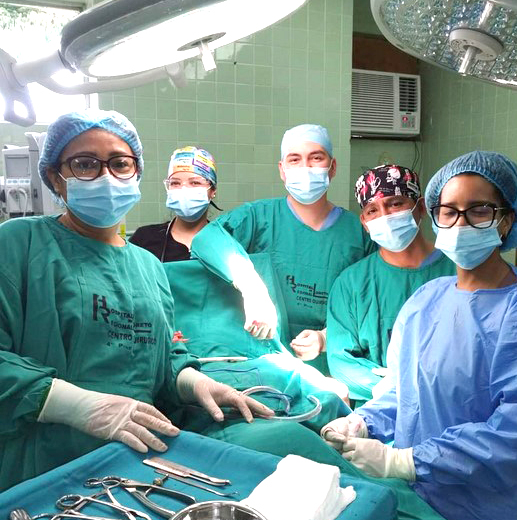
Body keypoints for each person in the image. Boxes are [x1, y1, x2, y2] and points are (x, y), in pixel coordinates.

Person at [321, 150, 517, 520]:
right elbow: (403, 391)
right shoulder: (426, 301)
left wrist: (405, 460)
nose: (460, 222)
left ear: (507, 220)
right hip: (422, 509)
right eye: (449, 210)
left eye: (479, 210)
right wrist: (363, 423)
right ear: (434, 216)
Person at [0, 110, 272, 491]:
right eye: (84, 164)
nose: (105, 176)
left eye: (120, 163)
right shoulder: (19, 244)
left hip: (139, 462)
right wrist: (76, 406)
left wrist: (192, 381)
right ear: (55, 178)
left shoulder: (148, 267)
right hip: (46, 469)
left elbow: (161, 355)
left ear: (136, 173)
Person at [191, 124, 375, 372]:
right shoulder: (259, 217)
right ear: (282, 170)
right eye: (294, 159)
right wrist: (250, 285)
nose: (305, 167)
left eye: (316, 158)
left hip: (333, 368)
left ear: (332, 168)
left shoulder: (359, 233)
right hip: (268, 362)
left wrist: (327, 337)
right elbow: (206, 239)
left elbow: (373, 301)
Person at [326, 164, 454, 407]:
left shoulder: (457, 271)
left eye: (395, 204)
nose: (385, 216)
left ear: (421, 207)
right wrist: (391, 388)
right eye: (372, 210)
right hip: (379, 412)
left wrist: (429, 387)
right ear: (364, 222)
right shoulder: (352, 283)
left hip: (450, 406)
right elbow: (341, 362)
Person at [130, 145, 219, 262]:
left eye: (195, 183)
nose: (184, 190)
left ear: (212, 191)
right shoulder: (144, 239)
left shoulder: (225, 242)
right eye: (175, 183)